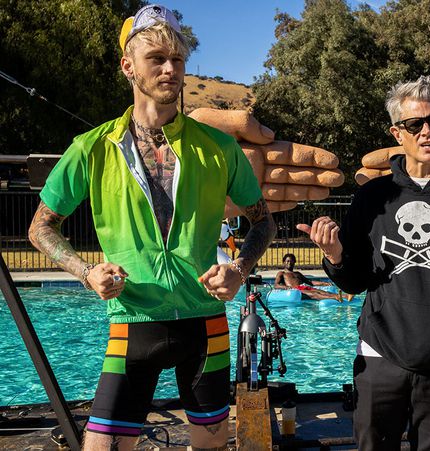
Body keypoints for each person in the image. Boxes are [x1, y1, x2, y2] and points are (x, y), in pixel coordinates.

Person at [27, 5, 276, 450]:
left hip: (207, 325)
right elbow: (41, 227)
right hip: (132, 320)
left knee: (213, 447)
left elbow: (263, 222)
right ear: (128, 66)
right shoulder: (92, 147)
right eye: (156, 58)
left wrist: (239, 268)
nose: (170, 69)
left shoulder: (217, 146)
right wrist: (86, 273)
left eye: (178, 60)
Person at [298, 75, 430, 450]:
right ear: (398, 133)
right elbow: (356, 280)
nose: (427, 131)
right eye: (415, 124)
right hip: (381, 356)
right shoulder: (374, 198)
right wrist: (334, 255)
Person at [274, 253, 345, 301]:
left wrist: (324, 283)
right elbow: (276, 285)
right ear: (284, 262)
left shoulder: (297, 273)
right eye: (287, 261)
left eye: (291, 261)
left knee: (321, 291)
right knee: (315, 294)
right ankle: (336, 297)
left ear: (294, 262)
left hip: (303, 287)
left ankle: (344, 296)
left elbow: (310, 282)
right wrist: (286, 287)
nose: (289, 263)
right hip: (296, 290)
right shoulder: (282, 273)